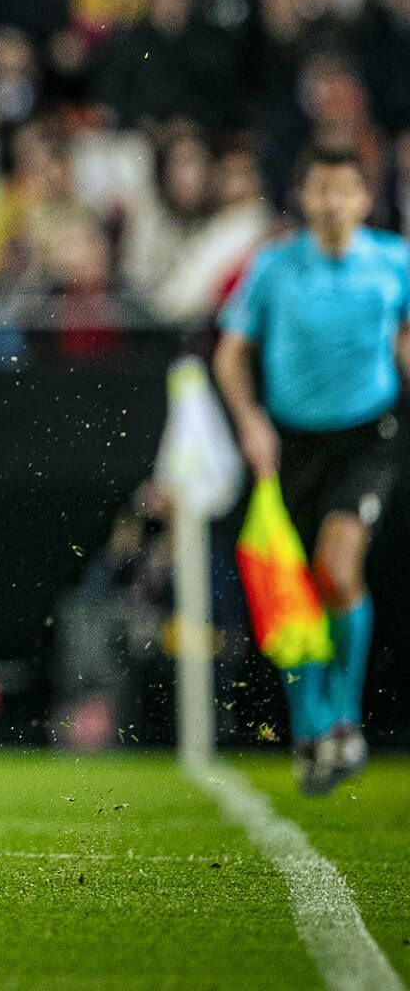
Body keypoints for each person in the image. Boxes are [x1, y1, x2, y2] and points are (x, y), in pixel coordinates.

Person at [214, 143, 410, 795]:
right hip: (292, 445)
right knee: (291, 593)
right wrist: (250, 422)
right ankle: (311, 728)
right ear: (302, 196)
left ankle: (344, 721)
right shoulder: (272, 267)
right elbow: (230, 354)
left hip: (369, 437)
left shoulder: (395, 261)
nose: (332, 202)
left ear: (364, 197)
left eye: (344, 190)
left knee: (338, 569)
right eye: (321, 189)